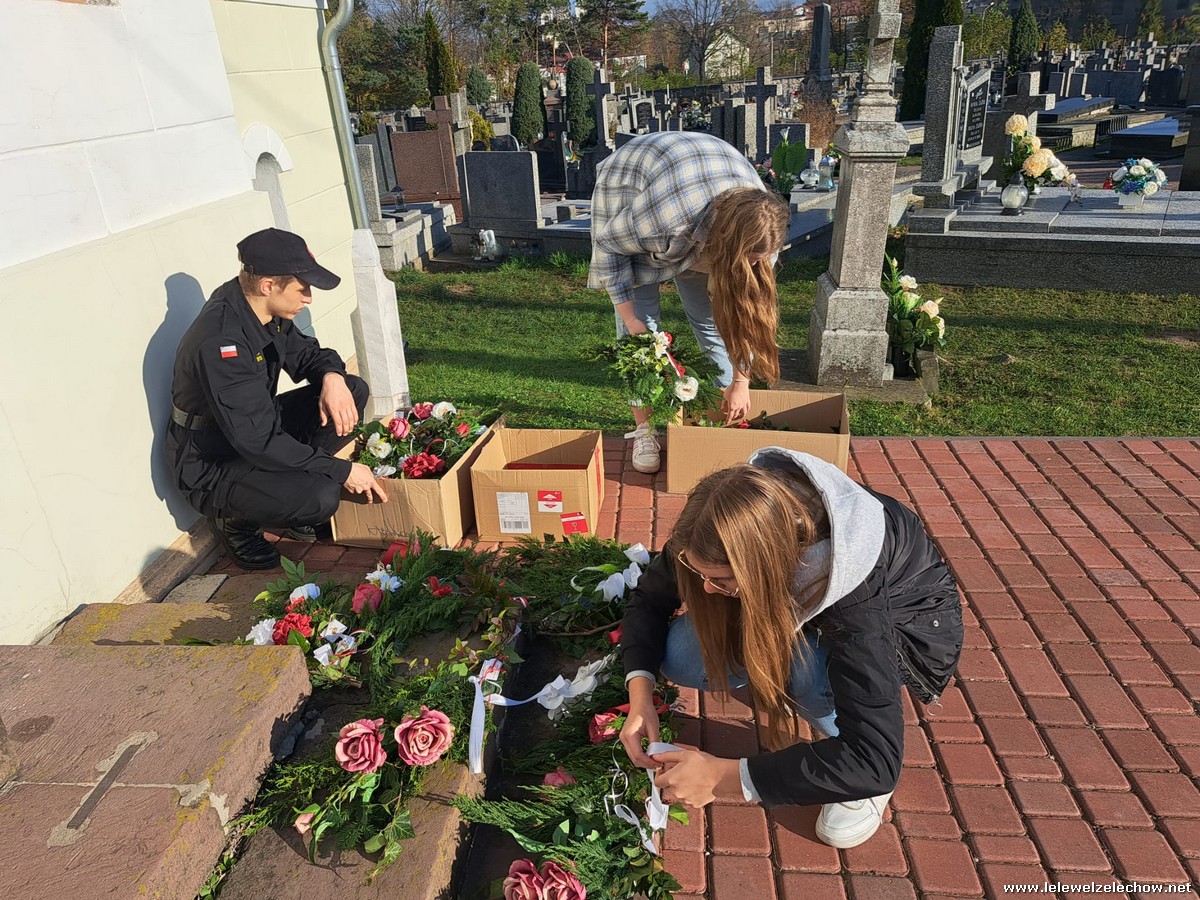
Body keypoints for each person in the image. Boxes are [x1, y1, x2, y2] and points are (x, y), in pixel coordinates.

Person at [618, 449, 963, 849]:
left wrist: (724, 777)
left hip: (904, 627)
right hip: (801, 598)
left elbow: (876, 761)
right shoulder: (720, 523)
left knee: (804, 673)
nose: (707, 590)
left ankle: (841, 747)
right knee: (680, 654)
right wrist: (640, 695)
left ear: (764, 566)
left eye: (722, 580)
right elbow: (650, 598)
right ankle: (780, 677)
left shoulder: (857, 597)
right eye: (701, 574)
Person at [167, 228, 387, 570]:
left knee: (351, 390)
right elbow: (258, 441)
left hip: (252, 430)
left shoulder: (261, 310)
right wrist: (341, 471)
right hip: (212, 462)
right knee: (321, 495)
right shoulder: (223, 342)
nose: (309, 298)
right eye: (303, 288)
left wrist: (332, 377)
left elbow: (308, 356)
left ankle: (291, 502)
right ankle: (233, 521)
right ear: (268, 285)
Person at [588, 131, 791, 474]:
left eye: (758, 260)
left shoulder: (762, 233)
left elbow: (743, 315)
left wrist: (741, 383)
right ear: (724, 245)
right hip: (634, 184)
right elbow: (608, 246)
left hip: (702, 181)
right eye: (748, 260)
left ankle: (723, 415)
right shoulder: (666, 219)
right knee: (641, 340)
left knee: (712, 323)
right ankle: (645, 430)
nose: (755, 266)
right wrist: (632, 320)